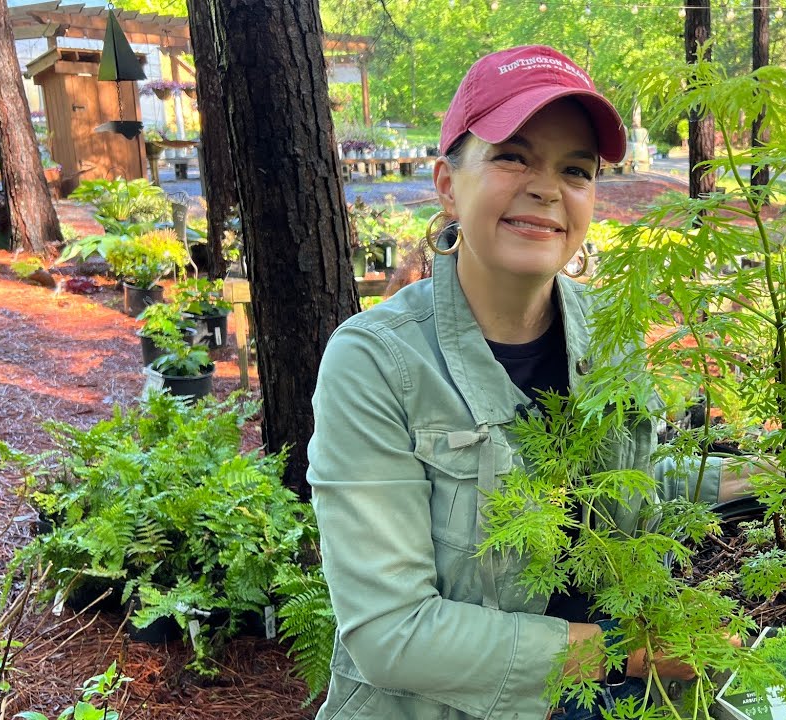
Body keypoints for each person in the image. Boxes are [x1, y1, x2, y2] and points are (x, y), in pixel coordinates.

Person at [308, 45, 739, 720]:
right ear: (448, 184)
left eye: (576, 170)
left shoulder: (611, 332)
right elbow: (391, 635)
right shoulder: (376, 363)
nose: (548, 188)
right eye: (513, 155)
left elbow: (632, 480)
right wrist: (628, 649)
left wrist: (754, 481)